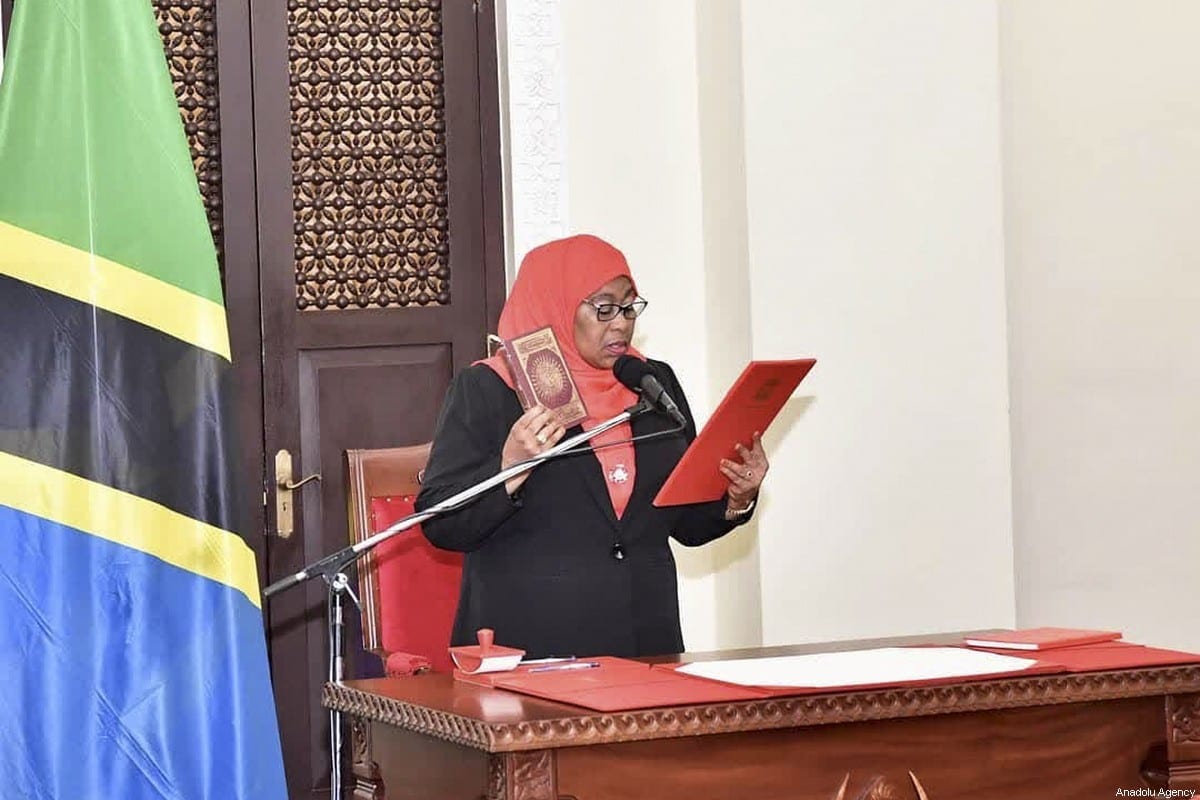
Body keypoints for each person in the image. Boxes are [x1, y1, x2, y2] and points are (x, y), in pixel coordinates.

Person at [415, 234, 768, 659]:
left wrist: (735, 496)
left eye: (629, 306)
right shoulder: (491, 388)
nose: (620, 322)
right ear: (557, 305)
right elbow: (441, 523)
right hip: (532, 654)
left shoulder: (650, 384)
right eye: (603, 307)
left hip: (646, 648)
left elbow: (684, 524)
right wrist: (511, 467)